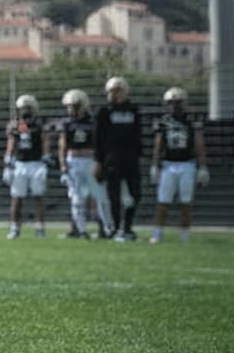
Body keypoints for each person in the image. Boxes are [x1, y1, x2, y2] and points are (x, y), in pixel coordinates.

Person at [150, 87, 209, 243]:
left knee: (186, 202)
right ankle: (157, 234)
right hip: (168, 165)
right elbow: (158, 144)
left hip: (187, 164)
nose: (174, 106)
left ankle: (184, 236)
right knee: (163, 201)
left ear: (184, 103)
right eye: (171, 103)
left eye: (177, 103)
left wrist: (202, 166)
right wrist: (155, 165)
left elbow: (199, 144)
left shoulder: (192, 120)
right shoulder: (162, 121)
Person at [57, 89, 114, 239]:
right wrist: (63, 166)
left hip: (91, 161)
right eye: (68, 106)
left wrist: (100, 162)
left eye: (73, 106)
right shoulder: (67, 123)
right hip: (73, 162)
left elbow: (100, 143)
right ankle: (80, 231)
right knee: (77, 199)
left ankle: (106, 229)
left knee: (99, 197)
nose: (70, 109)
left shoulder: (93, 122)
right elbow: (63, 146)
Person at [93, 76, 143, 242]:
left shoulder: (134, 110)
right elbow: (98, 139)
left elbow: (138, 135)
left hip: (130, 158)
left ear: (125, 91)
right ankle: (114, 228)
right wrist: (99, 162)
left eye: (118, 91)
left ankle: (127, 227)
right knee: (113, 196)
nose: (115, 94)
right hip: (111, 158)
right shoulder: (104, 111)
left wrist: (139, 155)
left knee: (135, 193)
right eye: (112, 91)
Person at [3, 94, 47, 238]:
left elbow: (44, 139)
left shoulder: (39, 123)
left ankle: (40, 228)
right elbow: (12, 142)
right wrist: (8, 161)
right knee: (16, 197)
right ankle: (15, 228)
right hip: (20, 164)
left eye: (28, 108)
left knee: (38, 196)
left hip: (36, 163)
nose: (25, 111)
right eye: (23, 108)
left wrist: (46, 157)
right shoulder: (17, 124)